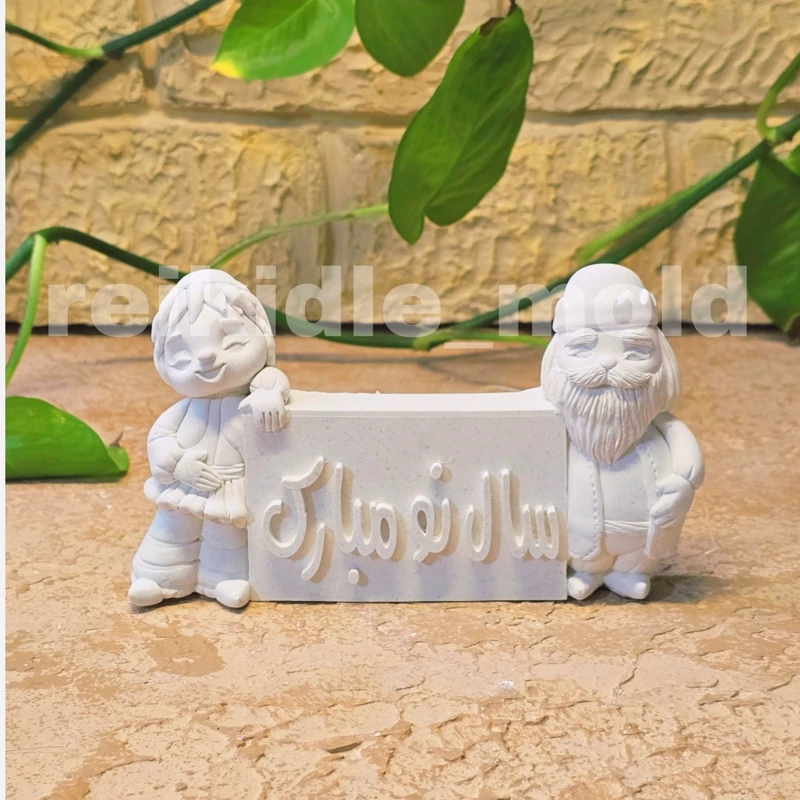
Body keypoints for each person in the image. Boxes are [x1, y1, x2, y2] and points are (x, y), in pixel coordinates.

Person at [540, 263, 704, 600]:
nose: (608, 363)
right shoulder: (560, 428)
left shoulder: (661, 426)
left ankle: (629, 572)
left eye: (634, 351)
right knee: (584, 542)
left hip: (645, 522)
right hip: (583, 523)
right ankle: (587, 571)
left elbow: (686, 455)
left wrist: (685, 482)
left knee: (643, 546)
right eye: (583, 350)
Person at [128, 270, 289, 609]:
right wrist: (177, 464)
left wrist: (271, 394)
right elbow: (159, 438)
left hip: (230, 485)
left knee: (227, 534)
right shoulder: (185, 411)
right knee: (172, 529)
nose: (206, 357)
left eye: (231, 342)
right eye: (182, 355)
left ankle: (225, 580)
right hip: (186, 483)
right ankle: (157, 577)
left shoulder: (256, 393)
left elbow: (272, 382)